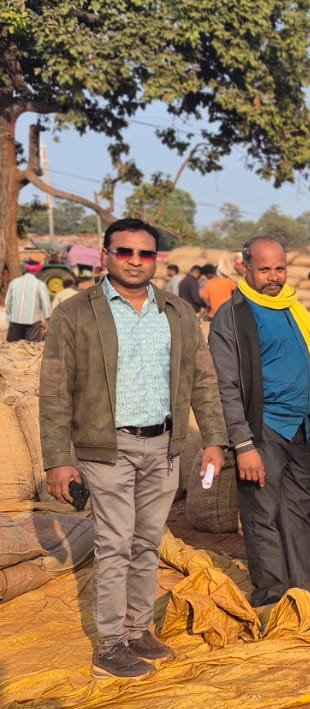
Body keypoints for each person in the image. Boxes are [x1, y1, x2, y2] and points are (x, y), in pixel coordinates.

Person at [40, 218, 227, 679]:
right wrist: (58, 460)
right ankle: (109, 647)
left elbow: (203, 381)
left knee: (147, 542)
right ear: (106, 255)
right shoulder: (76, 312)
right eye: (124, 252)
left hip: (163, 446)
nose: (135, 261)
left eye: (145, 253)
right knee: (114, 542)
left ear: (156, 260)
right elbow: (55, 389)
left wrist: (214, 439)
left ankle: (137, 630)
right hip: (107, 447)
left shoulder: (178, 312)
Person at [210, 237, 310, 607]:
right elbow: (226, 385)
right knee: (262, 515)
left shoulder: (292, 307)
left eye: (279, 269)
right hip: (263, 429)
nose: (273, 277)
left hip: (300, 428)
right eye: (264, 269)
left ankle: (303, 587)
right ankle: (272, 596)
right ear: (245, 268)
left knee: (299, 512)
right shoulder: (233, 316)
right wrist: (243, 444)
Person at [5, 267, 52, 341]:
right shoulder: (39, 284)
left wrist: (11, 313)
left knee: (13, 345)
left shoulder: (14, 282)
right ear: (37, 271)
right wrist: (47, 319)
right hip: (32, 323)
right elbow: (45, 303)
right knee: (31, 345)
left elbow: (7, 302)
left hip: (15, 321)